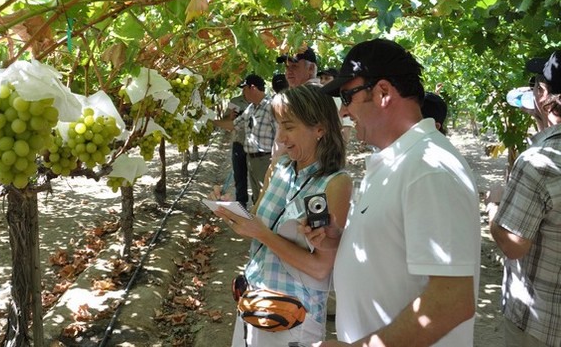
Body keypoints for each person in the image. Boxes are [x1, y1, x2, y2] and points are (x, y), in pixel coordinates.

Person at [309, 38, 480, 346]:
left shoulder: (429, 169)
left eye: (347, 96)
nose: (344, 110)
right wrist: (341, 239)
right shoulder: (398, 161)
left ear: (383, 92)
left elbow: (451, 301)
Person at [214, 84, 352, 347]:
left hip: (292, 317)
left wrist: (262, 234)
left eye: (288, 127)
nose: (280, 137)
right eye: (278, 126)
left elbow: (321, 267)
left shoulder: (335, 183)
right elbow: (255, 223)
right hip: (254, 300)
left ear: (320, 129)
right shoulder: (279, 169)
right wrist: (232, 211)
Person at [488, 50, 561, 347]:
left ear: (542, 94)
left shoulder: (539, 162)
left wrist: (494, 207)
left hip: (542, 325)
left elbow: (513, 244)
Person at [214, 74, 276, 205]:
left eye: (244, 89)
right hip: (251, 159)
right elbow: (234, 125)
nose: (243, 92)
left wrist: (275, 160)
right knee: (257, 197)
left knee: (265, 196)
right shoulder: (251, 108)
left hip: (265, 160)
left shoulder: (271, 107)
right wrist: (211, 122)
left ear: (252, 88)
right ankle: (252, 214)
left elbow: (279, 135)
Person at [227, 94, 249, 207]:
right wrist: (230, 117)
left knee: (258, 176)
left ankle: (258, 204)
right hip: (239, 142)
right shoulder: (234, 101)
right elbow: (226, 122)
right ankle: (241, 204)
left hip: (256, 146)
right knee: (239, 175)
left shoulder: (262, 102)